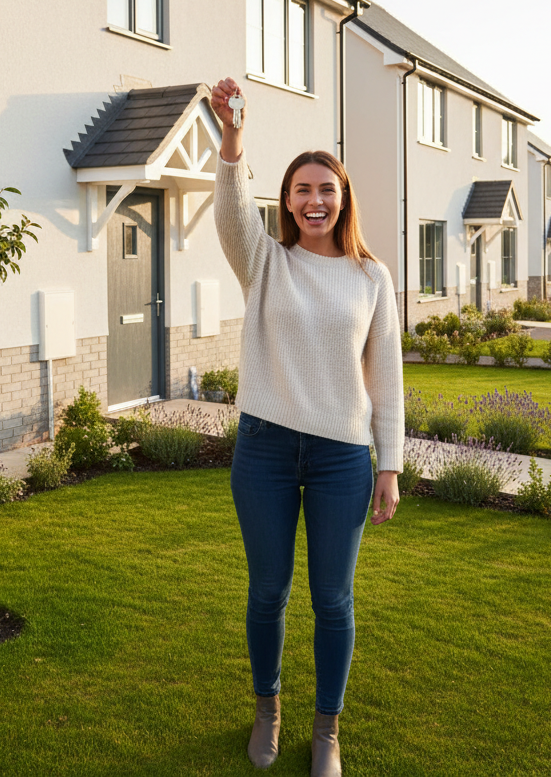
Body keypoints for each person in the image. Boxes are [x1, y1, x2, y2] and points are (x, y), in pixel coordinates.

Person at [210, 77, 403, 777]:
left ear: (343, 198)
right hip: (263, 450)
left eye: (326, 188)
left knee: (333, 598)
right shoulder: (265, 263)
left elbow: (387, 379)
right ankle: (269, 708)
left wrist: (389, 466)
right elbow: (230, 213)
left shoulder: (371, 277)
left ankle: (327, 729)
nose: (314, 200)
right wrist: (233, 137)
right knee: (268, 591)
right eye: (301, 190)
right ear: (285, 201)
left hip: (341, 458)